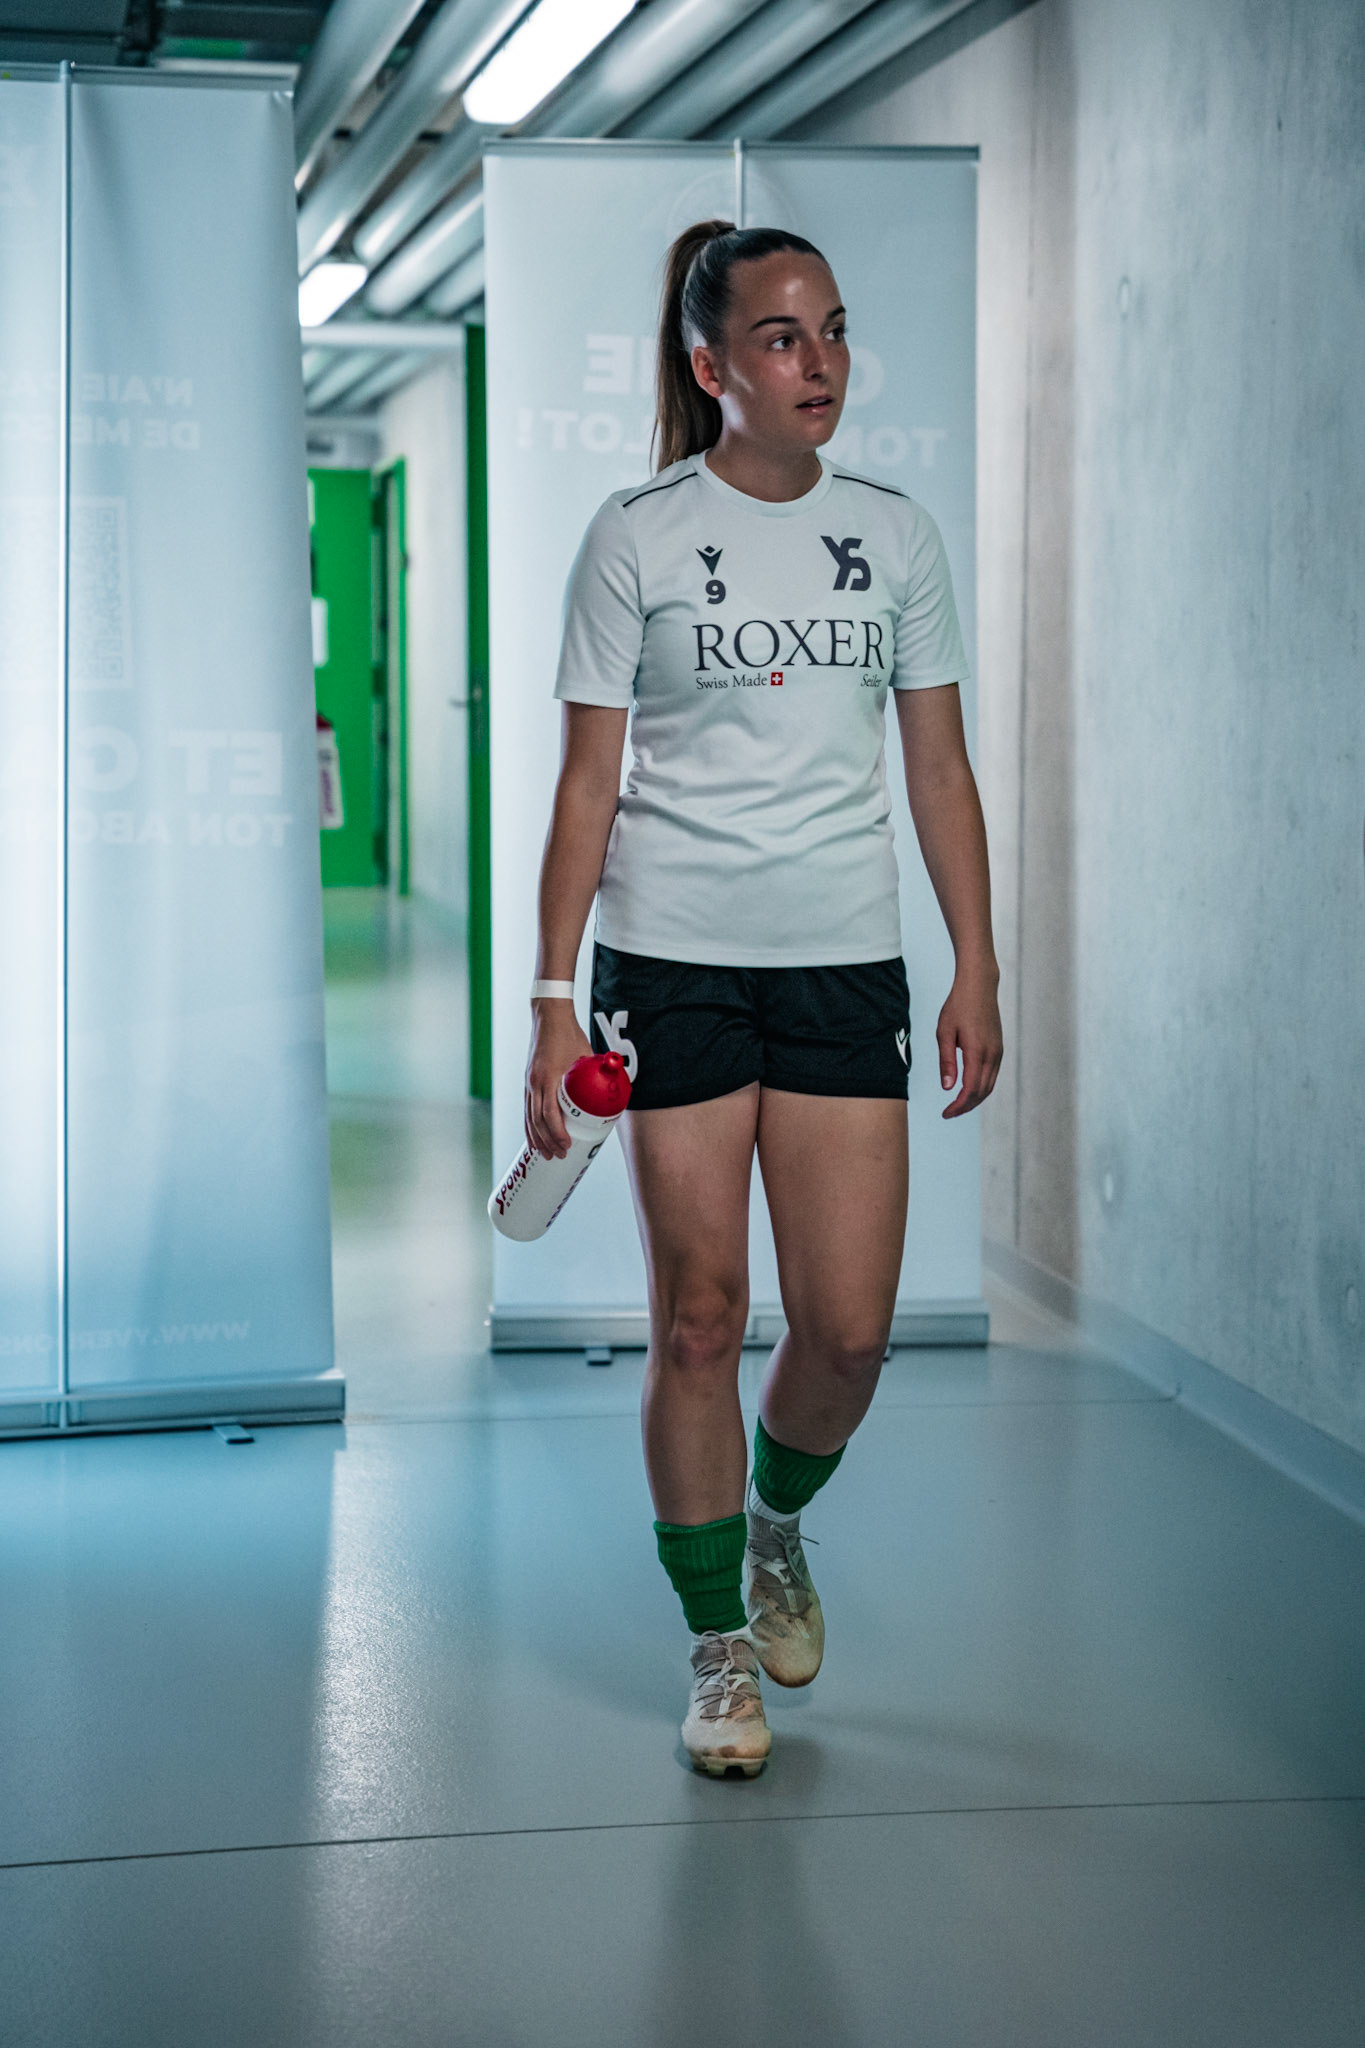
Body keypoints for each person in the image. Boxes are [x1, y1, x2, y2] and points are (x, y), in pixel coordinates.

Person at [523, 219, 1002, 1777]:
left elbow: (937, 768)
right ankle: (716, 1645)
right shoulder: (636, 535)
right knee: (699, 1319)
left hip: (840, 960)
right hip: (670, 960)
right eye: (783, 338)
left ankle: (774, 1522)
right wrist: (551, 1000)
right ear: (709, 364)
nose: (820, 363)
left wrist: (975, 958)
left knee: (848, 1333)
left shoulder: (896, 535)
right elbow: (585, 787)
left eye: (834, 330)